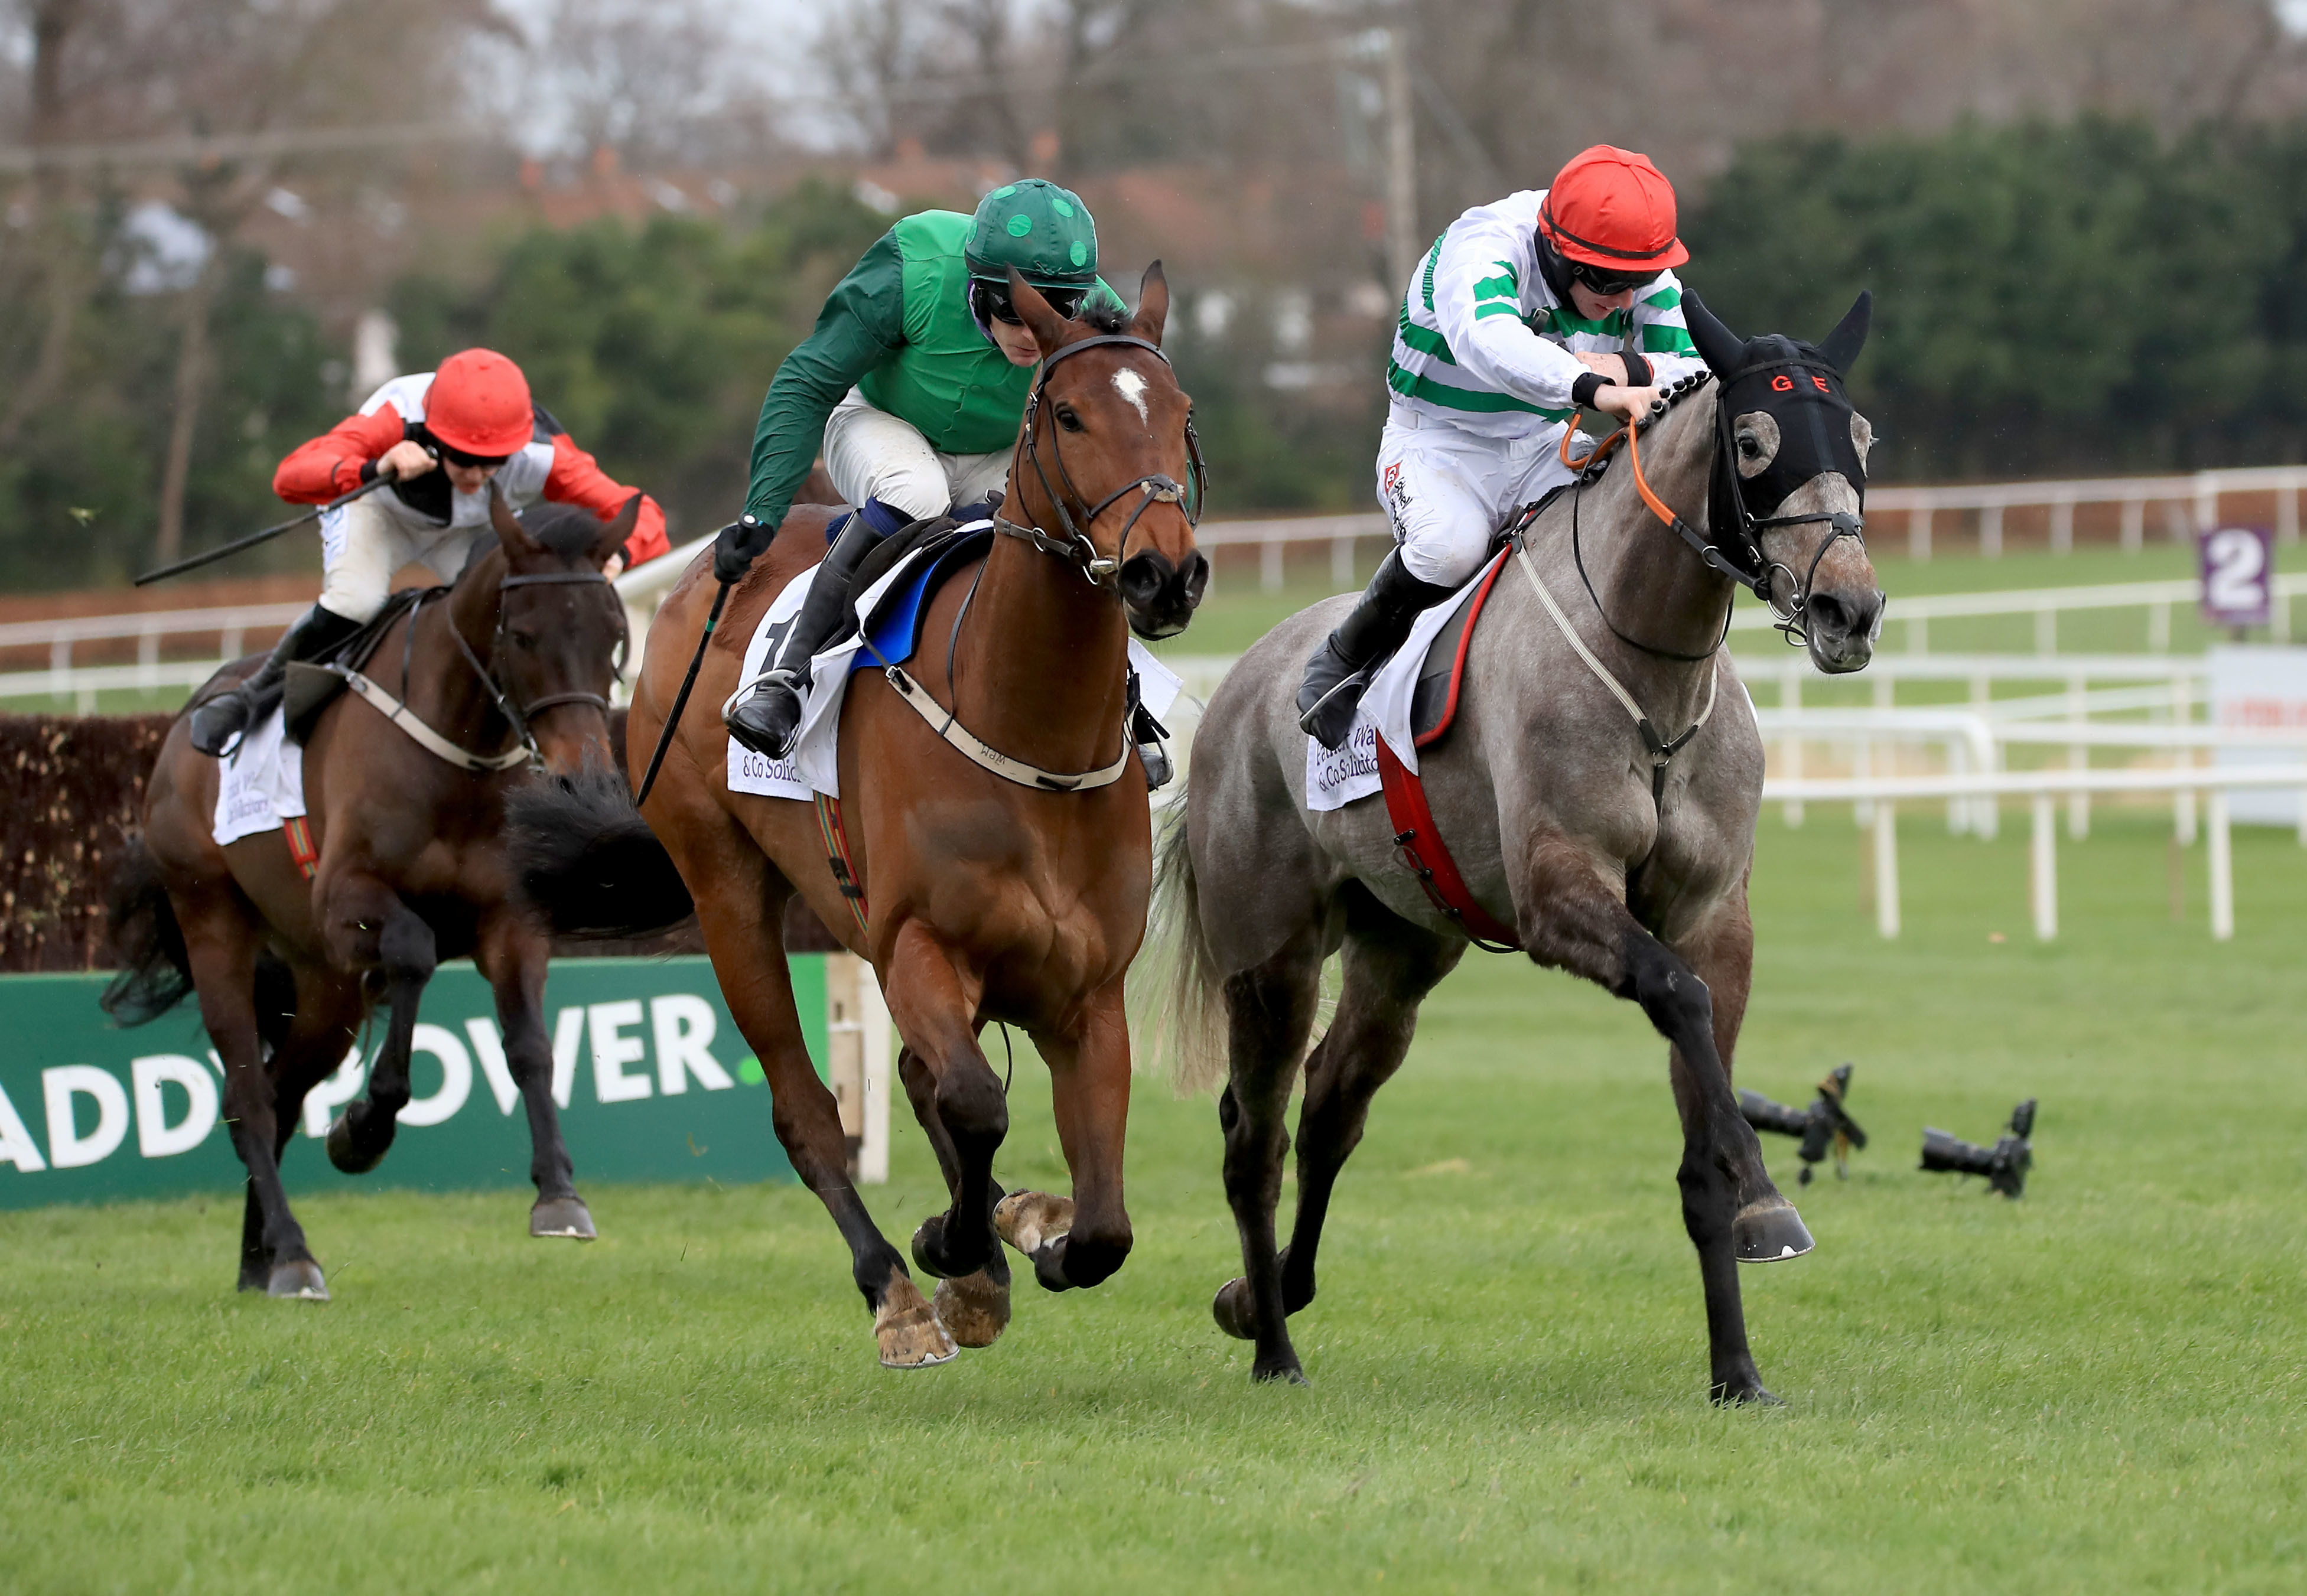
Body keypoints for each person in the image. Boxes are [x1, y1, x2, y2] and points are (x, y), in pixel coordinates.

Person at [1297, 145, 1709, 749]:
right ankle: (1342, 656)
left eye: (1636, 283)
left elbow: (1694, 369)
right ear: (1557, 249)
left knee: (1607, 547)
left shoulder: (1635, 268)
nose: (1622, 300)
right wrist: (1594, 382)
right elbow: (1490, 341)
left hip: (1542, 443)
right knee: (1447, 548)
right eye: (1605, 282)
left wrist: (1611, 364)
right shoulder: (1484, 247)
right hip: (1434, 443)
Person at [714, 178, 1123, 760]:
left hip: (1001, 451)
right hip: (879, 420)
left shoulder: (1107, 322)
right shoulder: (916, 266)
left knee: (1067, 518)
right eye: (1016, 309)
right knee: (918, 488)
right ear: (978, 287)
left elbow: (1140, 443)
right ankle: (786, 680)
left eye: (1056, 310)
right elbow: (806, 382)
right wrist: (763, 509)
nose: (1035, 331)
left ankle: (1126, 702)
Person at [188, 348, 669, 757]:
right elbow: (291, 475)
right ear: (436, 433)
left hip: (471, 529)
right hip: (380, 514)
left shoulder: (544, 451)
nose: (478, 474)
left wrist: (620, 555)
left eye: (493, 463)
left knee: (523, 607)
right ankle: (252, 698)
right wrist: (373, 464)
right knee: (355, 602)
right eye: (464, 458)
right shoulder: (396, 415)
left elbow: (642, 511)